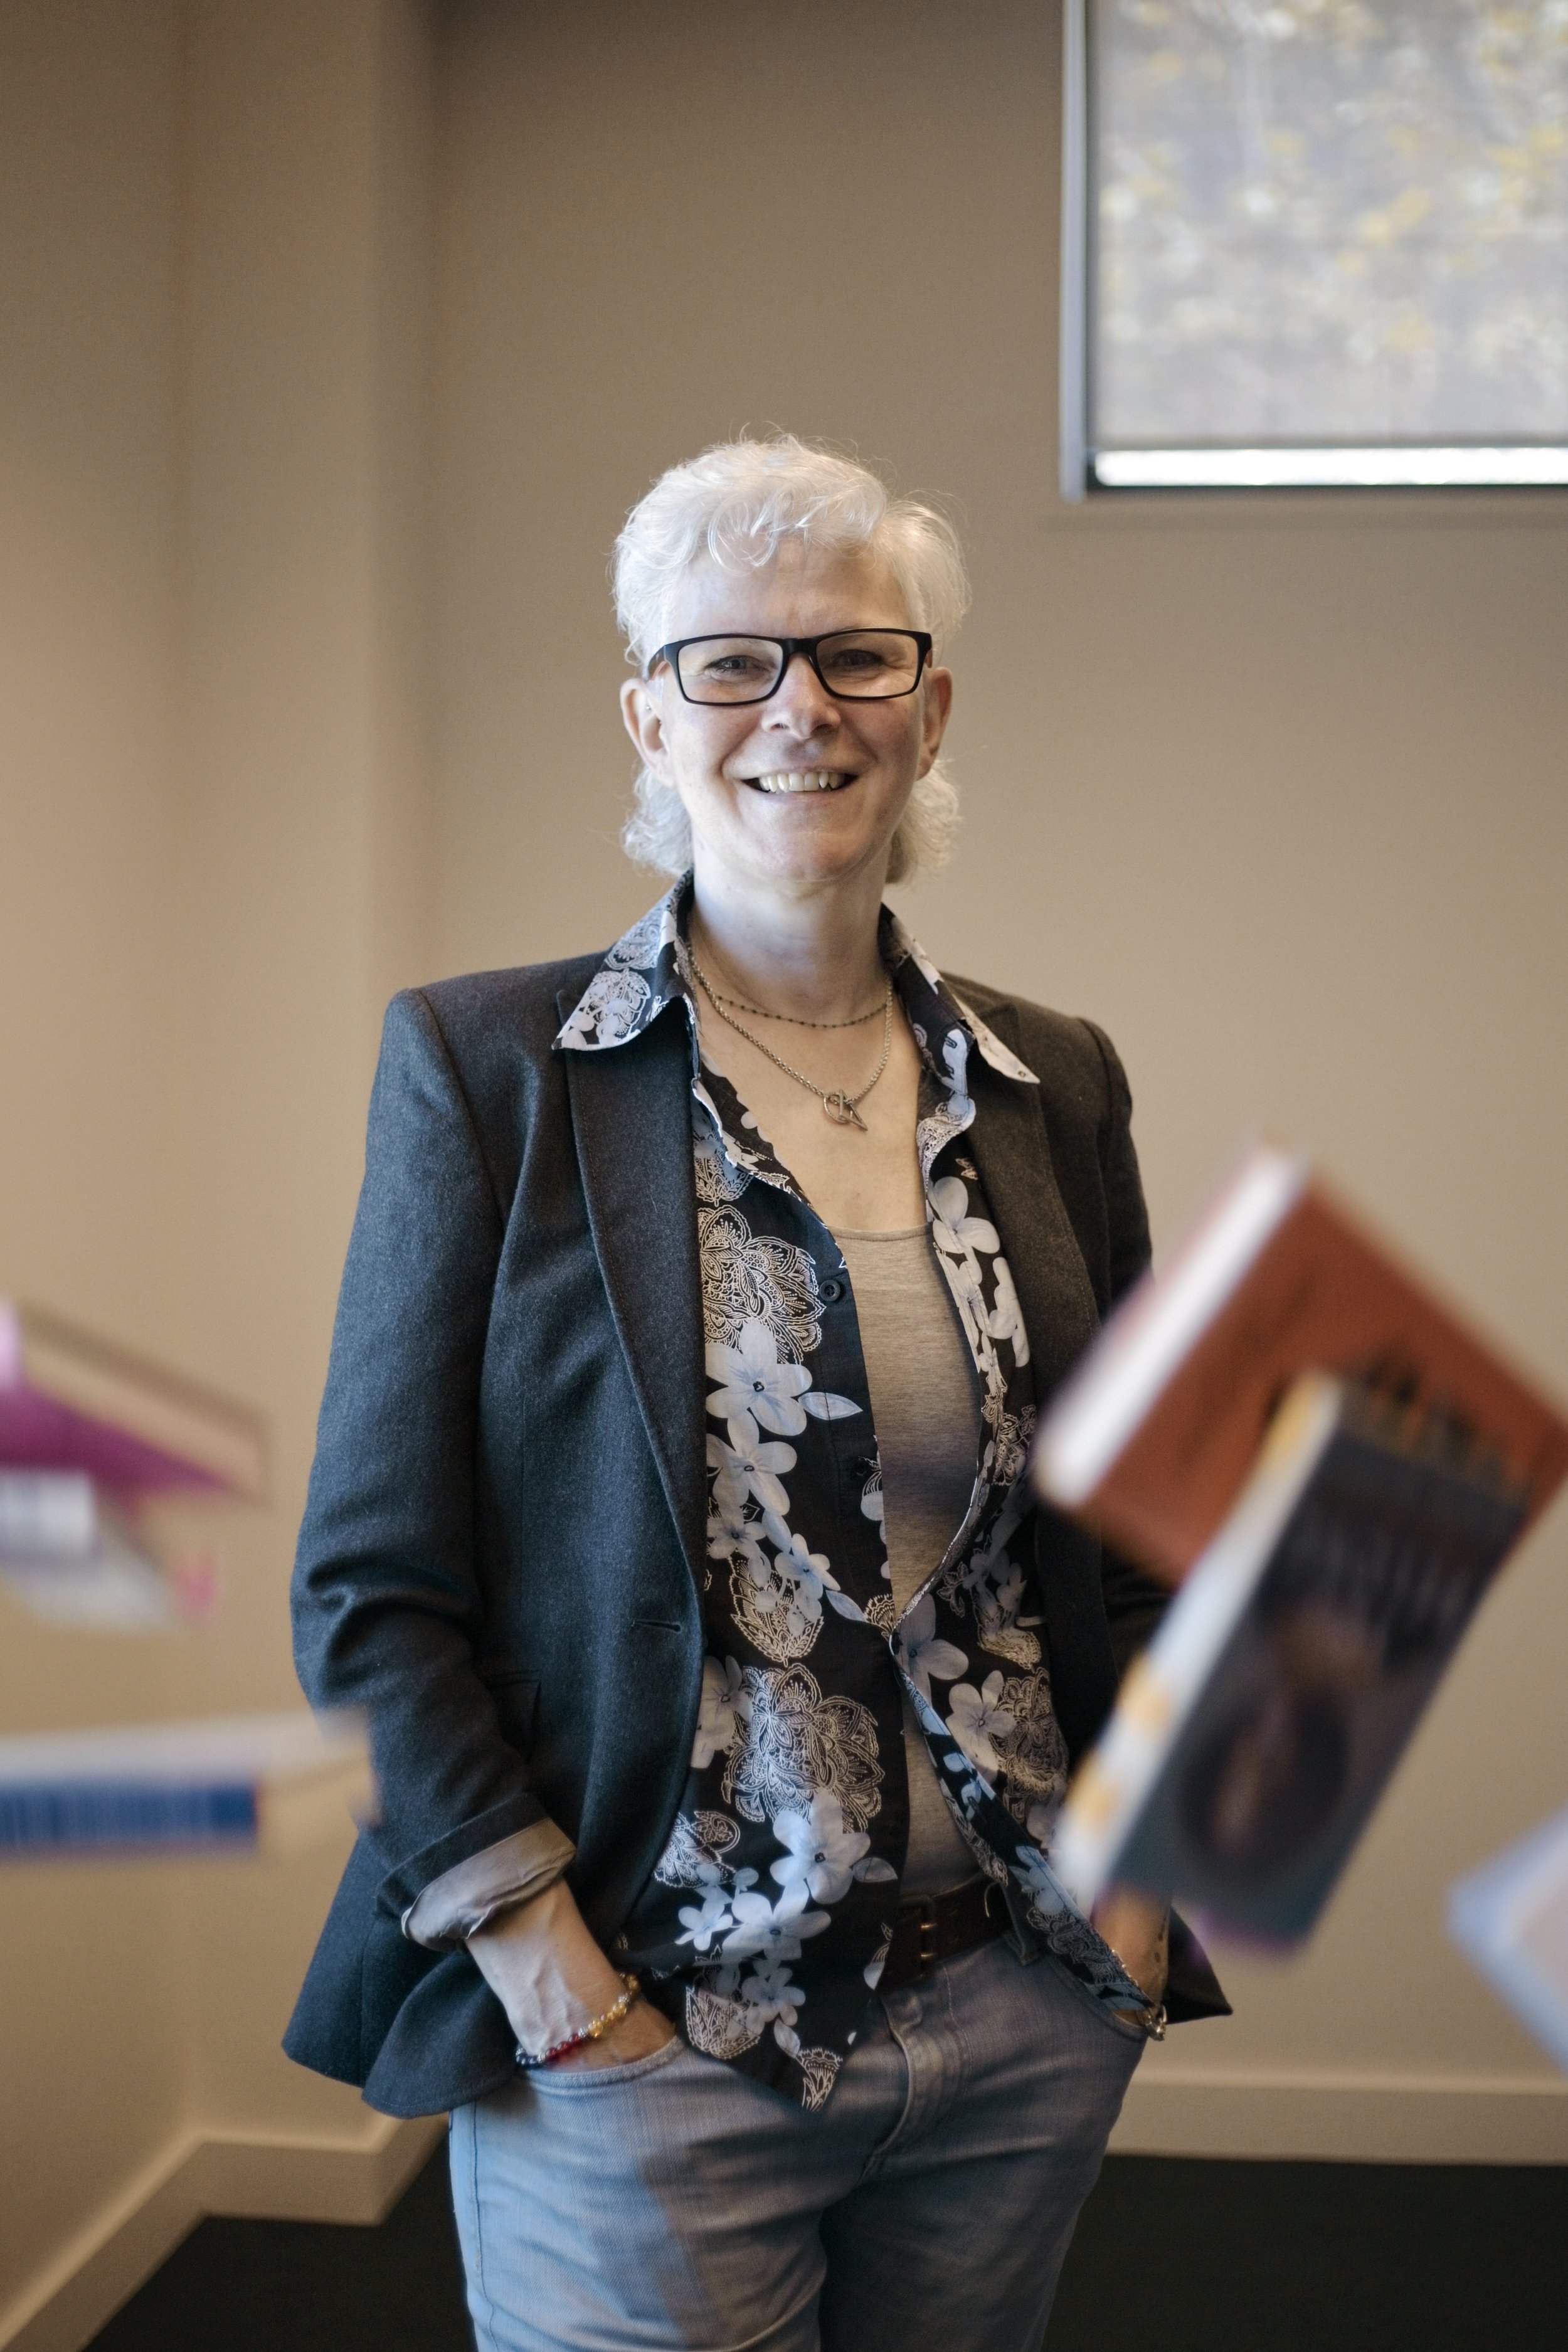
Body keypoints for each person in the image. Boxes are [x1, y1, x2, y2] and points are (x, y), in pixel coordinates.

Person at [285, 436, 1226, 2352]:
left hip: (1016, 2013)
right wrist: (549, 1977)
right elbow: (372, 1592)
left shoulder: (1055, 1081)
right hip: (647, 2035)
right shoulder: (492, 1069)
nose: (800, 708)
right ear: (650, 716)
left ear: (927, 707)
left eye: (855, 655)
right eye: (729, 662)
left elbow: (1128, 1544)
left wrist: (1138, 1898)